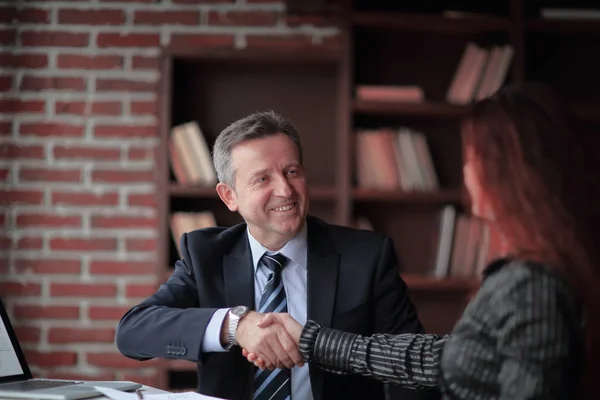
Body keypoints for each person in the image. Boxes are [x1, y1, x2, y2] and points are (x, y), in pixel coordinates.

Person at [244, 83, 600, 399]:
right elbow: (436, 358)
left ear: (507, 175)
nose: (465, 173)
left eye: (472, 159)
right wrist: (311, 340)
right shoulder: (530, 275)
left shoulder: (531, 286)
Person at [115, 110, 438, 400]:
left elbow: (410, 368)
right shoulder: (206, 254)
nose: (285, 190)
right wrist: (235, 327)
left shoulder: (367, 256)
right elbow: (134, 331)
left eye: (292, 171)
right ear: (230, 196)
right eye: (263, 178)